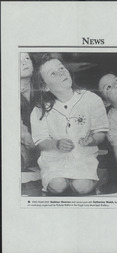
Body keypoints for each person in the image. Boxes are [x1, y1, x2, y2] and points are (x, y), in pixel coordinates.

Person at [31, 53, 109, 195]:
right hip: (54, 160)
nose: (61, 73)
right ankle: (61, 180)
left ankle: (100, 175)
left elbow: (101, 134)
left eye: (61, 68)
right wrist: (56, 144)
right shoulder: (39, 110)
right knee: (58, 186)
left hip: (83, 157)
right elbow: (40, 142)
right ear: (45, 87)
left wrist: (92, 140)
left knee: (81, 187)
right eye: (53, 74)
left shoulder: (91, 99)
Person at [21, 52, 39, 170]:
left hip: (46, 140)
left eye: (27, 58)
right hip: (23, 142)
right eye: (19, 60)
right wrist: (25, 136)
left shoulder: (42, 87)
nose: (24, 62)